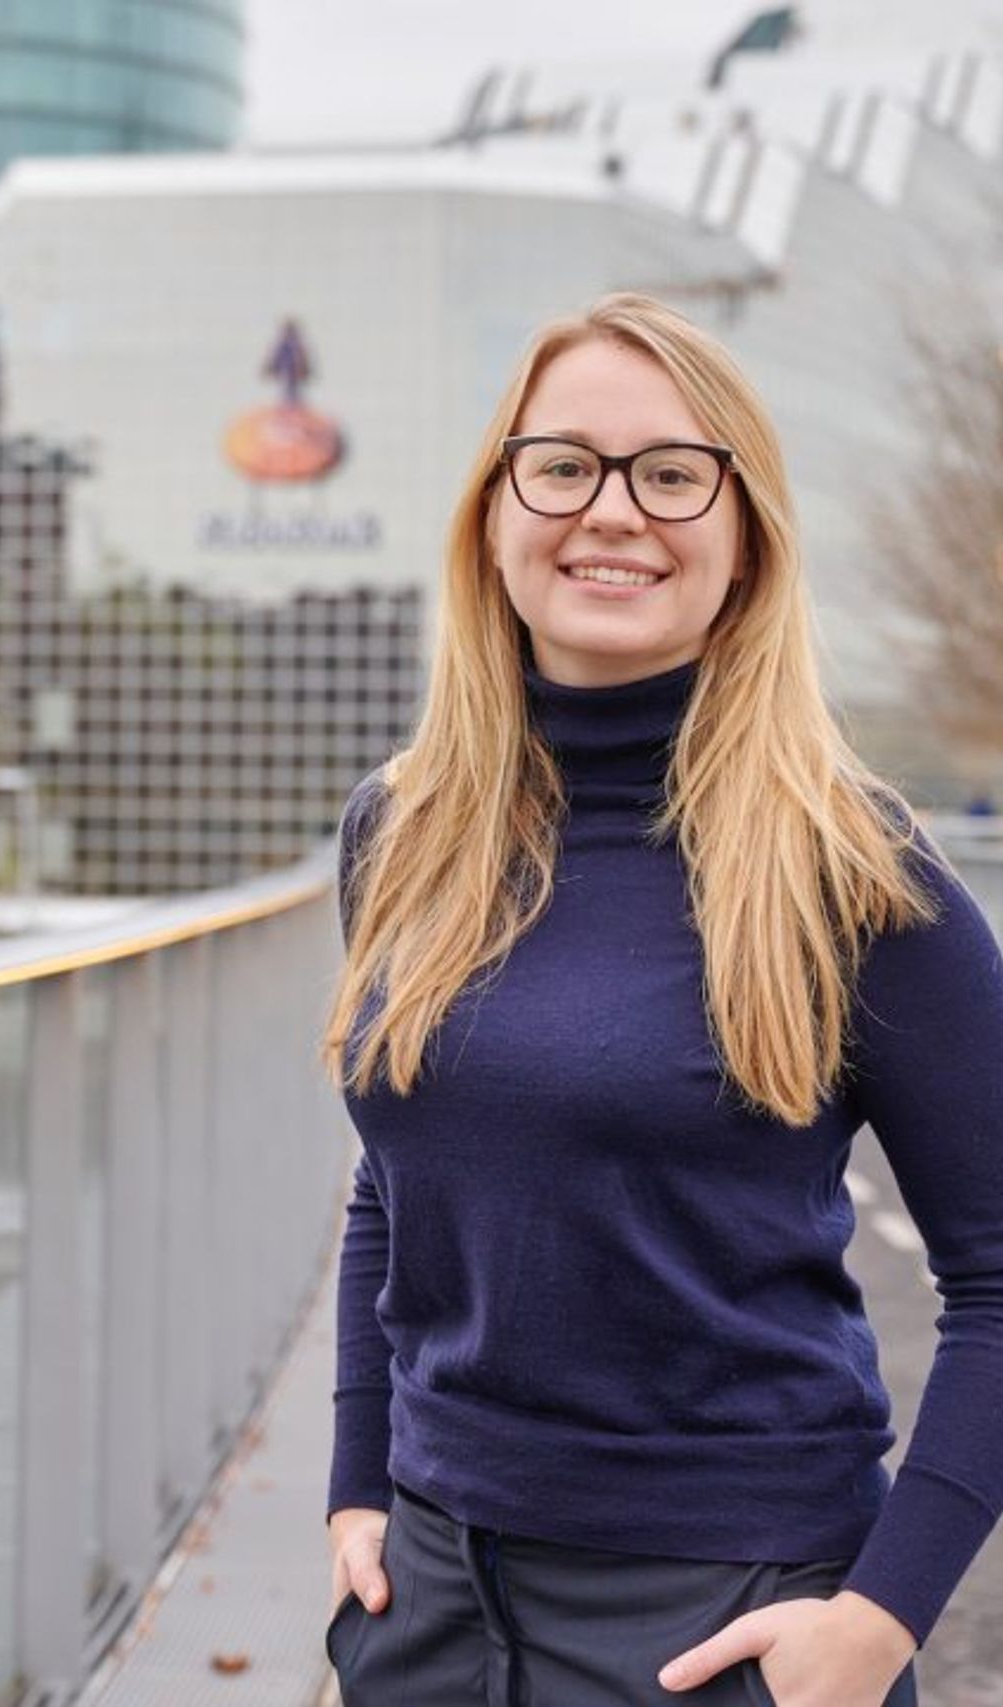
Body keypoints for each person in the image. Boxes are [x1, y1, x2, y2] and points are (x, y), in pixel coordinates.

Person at [319, 293, 1003, 1707]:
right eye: (562, 464)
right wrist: (356, 1484)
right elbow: (392, 1182)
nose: (611, 511)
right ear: (495, 510)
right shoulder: (404, 829)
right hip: (434, 1616)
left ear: (745, 534)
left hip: (726, 1623)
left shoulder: (855, 870)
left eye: (673, 473)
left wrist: (878, 1621)